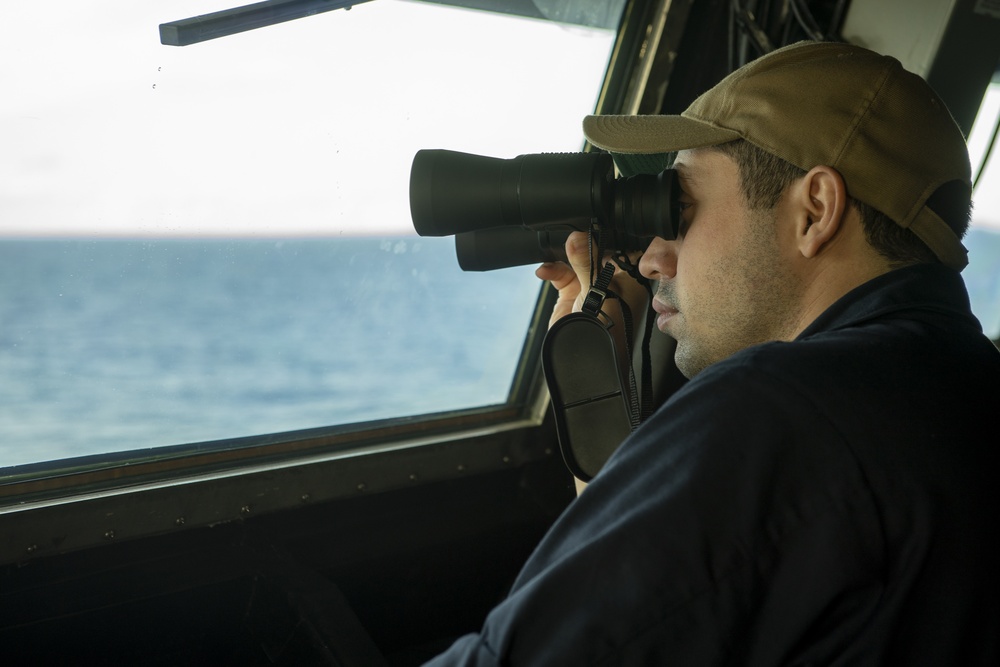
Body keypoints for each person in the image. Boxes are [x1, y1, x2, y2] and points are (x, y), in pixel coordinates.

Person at [425, 40, 1000, 665]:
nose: (651, 258)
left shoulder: (781, 410)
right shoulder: (965, 387)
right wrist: (597, 394)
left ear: (815, 211)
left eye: (683, 208)